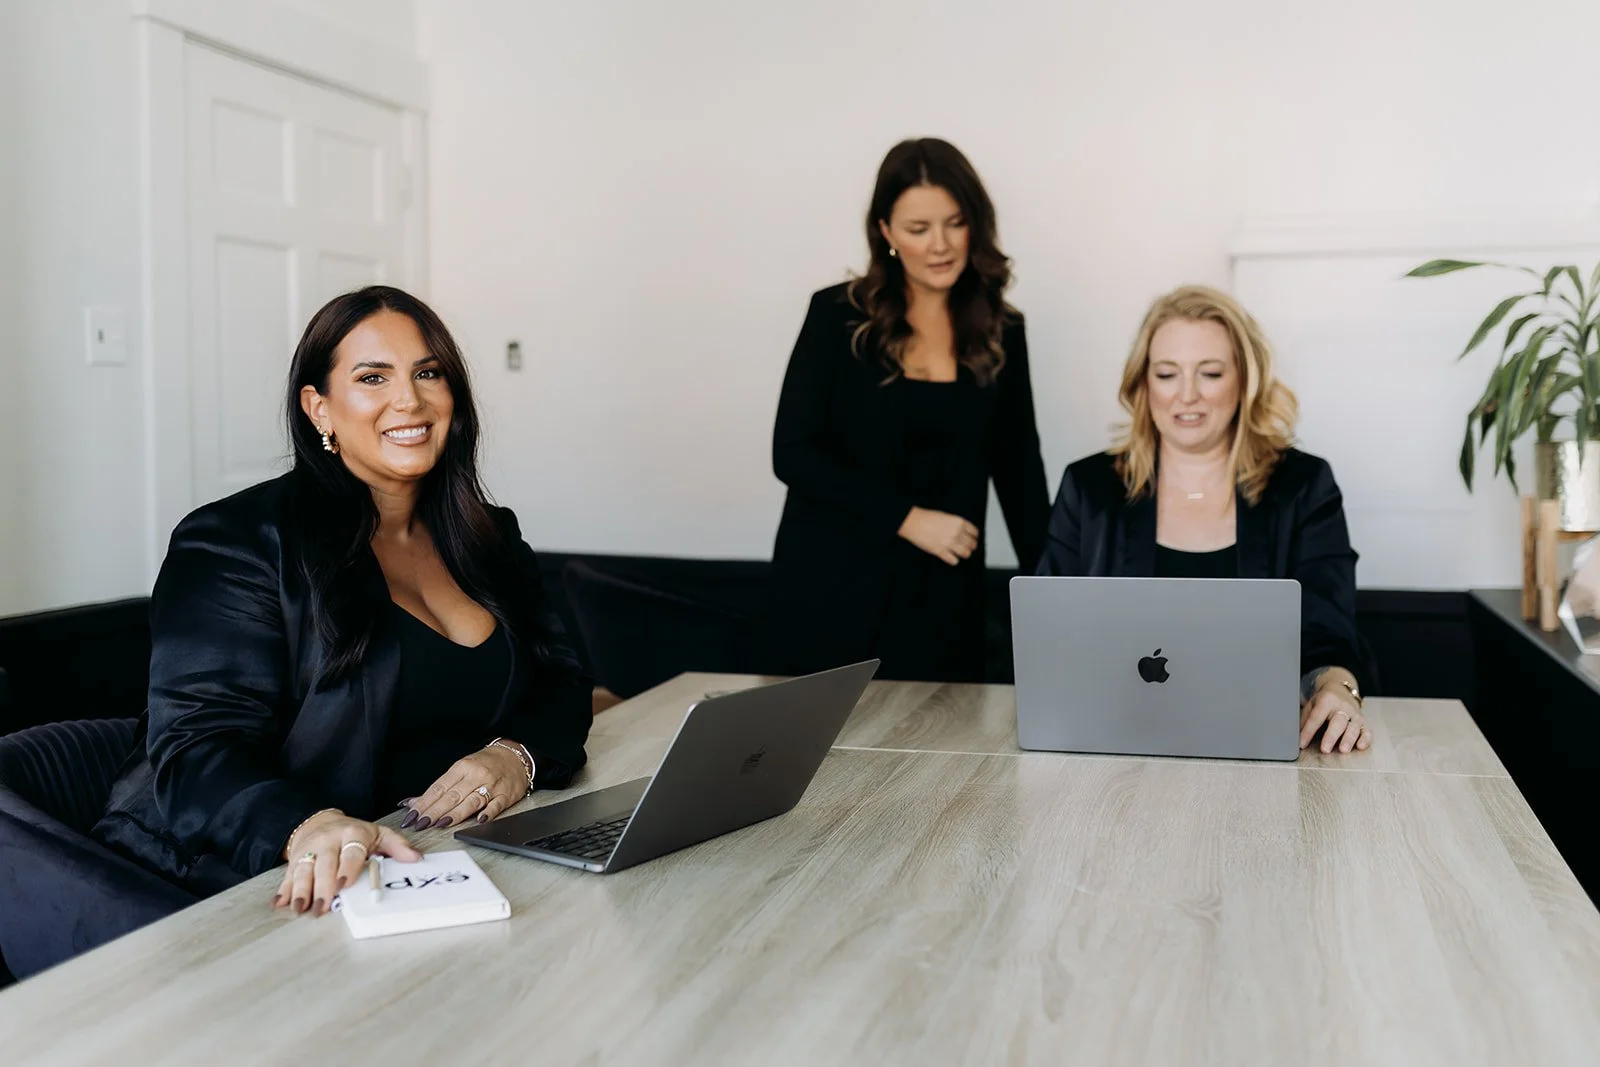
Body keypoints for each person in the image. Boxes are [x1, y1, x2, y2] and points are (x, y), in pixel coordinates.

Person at [94, 285, 594, 916]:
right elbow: (198, 745)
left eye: (427, 373)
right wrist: (308, 826)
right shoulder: (234, 542)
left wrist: (515, 756)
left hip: (437, 867)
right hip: (247, 879)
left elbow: (563, 681)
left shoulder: (490, 536)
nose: (408, 399)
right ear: (319, 408)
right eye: (372, 377)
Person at [1036, 284, 1374, 754]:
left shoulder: (1303, 485)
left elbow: (1327, 633)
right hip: (1114, 747)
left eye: (1210, 373)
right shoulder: (1089, 487)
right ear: (1144, 382)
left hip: (1255, 747)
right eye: (1167, 373)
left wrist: (1338, 691)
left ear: (1244, 381)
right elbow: (1051, 637)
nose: (1187, 396)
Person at [763, 137, 1050, 684]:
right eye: (919, 229)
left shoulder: (1002, 327)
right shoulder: (835, 315)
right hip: (831, 592)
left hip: (944, 597)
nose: (940, 245)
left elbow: (1019, 473)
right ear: (886, 232)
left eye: (955, 222)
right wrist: (908, 518)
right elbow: (793, 454)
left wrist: (1063, 597)